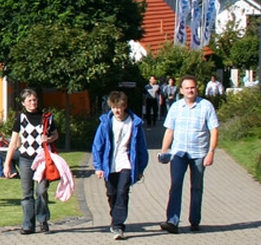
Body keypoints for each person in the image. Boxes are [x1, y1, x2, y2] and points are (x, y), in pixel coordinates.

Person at [159, 75, 220, 234]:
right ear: (182, 90)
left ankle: (194, 221)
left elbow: (214, 130)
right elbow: (169, 131)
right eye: (187, 88)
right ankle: (172, 221)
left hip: (199, 153)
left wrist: (211, 152)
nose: (190, 90)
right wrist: (164, 151)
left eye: (192, 87)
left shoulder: (206, 106)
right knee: (176, 184)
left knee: (196, 187)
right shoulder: (176, 107)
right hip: (179, 152)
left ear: (196, 88)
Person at [92, 91, 149, 240]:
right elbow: (98, 145)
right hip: (109, 164)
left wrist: (140, 169)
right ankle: (115, 218)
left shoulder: (134, 123)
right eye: (113, 107)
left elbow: (142, 148)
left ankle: (118, 226)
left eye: (119, 107)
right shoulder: (106, 123)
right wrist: (98, 166)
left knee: (122, 192)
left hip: (126, 163)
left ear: (124, 106)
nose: (116, 111)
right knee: (112, 194)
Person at [3, 88, 59, 235]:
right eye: (29, 100)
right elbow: (14, 142)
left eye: (34, 100)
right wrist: (7, 163)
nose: (33, 103)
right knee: (26, 194)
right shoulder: (20, 118)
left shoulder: (47, 118)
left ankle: (43, 219)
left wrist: (49, 139)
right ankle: (28, 225)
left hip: (42, 159)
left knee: (41, 191)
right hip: (25, 159)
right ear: (23, 103)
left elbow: (55, 134)